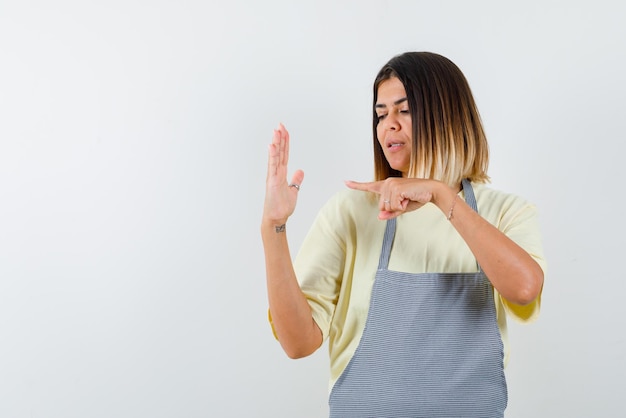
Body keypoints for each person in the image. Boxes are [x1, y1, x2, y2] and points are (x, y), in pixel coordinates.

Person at [261, 51, 545, 417]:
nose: (387, 126)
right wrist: (274, 227)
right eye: (380, 114)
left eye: (404, 110)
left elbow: (524, 288)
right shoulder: (352, 212)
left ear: (447, 114)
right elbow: (297, 343)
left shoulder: (505, 213)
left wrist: (441, 195)